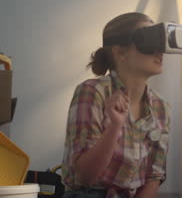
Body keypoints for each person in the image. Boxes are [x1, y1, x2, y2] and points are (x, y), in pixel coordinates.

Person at [62, 13, 170, 198]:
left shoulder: (161, 107)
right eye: (148, 42)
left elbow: (154, 177)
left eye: (159, 43)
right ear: (119, 52)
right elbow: (85, 176)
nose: (159, 52)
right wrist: (114, 127)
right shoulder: (92, 92)